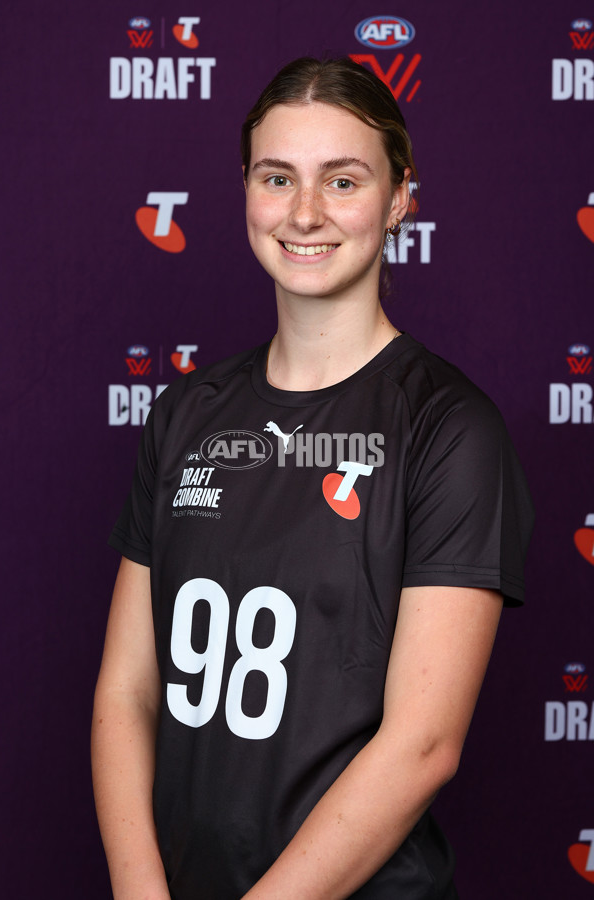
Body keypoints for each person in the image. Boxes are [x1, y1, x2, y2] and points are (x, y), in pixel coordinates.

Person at [92, 57, 534, 899]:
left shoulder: (447, 428)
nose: (304, 213)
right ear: (246, 191)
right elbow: (127, 689)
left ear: (401, 197)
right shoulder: (190, 413)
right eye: (276, 177)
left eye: (342, 180)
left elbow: (423, 746)